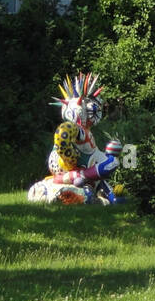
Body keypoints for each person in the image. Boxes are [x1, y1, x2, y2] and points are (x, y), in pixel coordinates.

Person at [27, 72, 122, 205]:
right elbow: (62, 135)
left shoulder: (84, 131)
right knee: (112, 162)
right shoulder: (78, 130)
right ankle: (80, 177)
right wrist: (71, 160)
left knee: (110, 164)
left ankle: (109, 196)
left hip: (86, 163)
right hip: (76, 167)